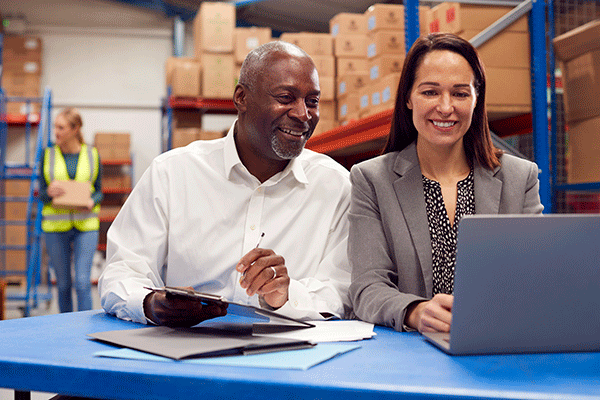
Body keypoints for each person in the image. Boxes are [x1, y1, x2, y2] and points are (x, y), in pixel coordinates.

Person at [98, 41, 351, 327]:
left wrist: (286, 295)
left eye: (312, 101)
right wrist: (150, 303)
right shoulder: (172, 174)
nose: (302, 114)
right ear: (241, 98)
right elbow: (122, 271)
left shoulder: (336, 186)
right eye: (285, 97)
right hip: (184, 352)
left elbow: (343, 290)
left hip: (289, 358)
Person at [348, 33, 544, 333]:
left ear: (476, 100)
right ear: (408, 98)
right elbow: (367, 288)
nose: (445, 107)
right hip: (412, 354)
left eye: (460, 93)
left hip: (495, 345)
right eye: (430, 92)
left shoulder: (520, 177)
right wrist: (415, 311)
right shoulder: (372, 180)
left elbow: (535, 277)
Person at [40, 108, 103, 313]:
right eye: (55, 127)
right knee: (64, 285)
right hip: (56, 227)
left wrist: (92, 201)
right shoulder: (48, 155)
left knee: (83, 282)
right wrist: (48, 192)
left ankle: (84, 330)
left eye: (61, 127)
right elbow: (41, 193)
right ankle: (66, 330)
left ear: (75, 129)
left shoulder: (92, 154)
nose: (56, 132)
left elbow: (99, 191)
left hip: (86, 225)